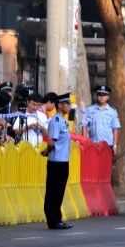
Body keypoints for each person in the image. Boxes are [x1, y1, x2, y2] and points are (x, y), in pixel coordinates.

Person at [41, 93, 73, 230]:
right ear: (60, 105)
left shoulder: (64, 121)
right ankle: (53, 220)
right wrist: (47, 151)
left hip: (63, 160)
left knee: (59, 191)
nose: (70, 107)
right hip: (56, 162)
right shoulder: (56, 121)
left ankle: (57, 218)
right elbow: (51, 141)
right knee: (54, 191)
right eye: (67, 104)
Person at [81, 85, 120, 154]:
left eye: (104, 95)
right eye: (99, 95)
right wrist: (84, 142)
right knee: (93, 164)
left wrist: (115, 146)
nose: (102, 97)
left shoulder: (112, 111)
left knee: (106, 164)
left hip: (108, 145)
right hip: (93, 144)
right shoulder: (90, 110)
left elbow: (115, 129)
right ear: (96, 96)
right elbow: (84, 125)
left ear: (108, 97)